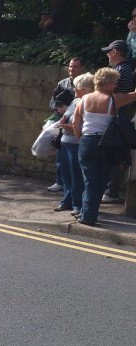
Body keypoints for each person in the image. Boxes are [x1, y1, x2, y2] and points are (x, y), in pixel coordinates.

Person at [72, 67, 136, 225]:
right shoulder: (114, 99)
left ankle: (85, 212)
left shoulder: (84, 100)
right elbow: (134, 95)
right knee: (99, 181)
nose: (115, 85)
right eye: (114, 82)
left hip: (86, 142)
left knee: (90, 180)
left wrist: (81, 138)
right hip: (106, 143)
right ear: (106, 84)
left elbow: (76, 122)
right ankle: (88, 216)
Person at [54, 72, 94, 216]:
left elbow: (83, 126)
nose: (74, 89)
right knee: (67, 175)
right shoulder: (75, 100)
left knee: (77, 176)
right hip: (66, 141)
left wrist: (68, 126)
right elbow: (67, 117)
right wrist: (62, 121)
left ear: (85, 89)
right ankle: (67, 201)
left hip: (76, 142)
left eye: (76, 87)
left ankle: (77, 204)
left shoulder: (87, 102)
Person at [101, 40, 134, 204]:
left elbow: (108, 93)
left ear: (115, 52)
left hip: (117, 118)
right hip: (119, 116)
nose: (107, 54)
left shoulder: (121, 70)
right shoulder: (125, 69)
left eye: (108, 51)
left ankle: (111, 191)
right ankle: (110, 190)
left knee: (112, 154)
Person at [47, 56, 83, 192]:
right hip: (62, 122)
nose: (72, 69)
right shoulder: (62, 83)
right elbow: (52, 102)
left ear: (81, 68)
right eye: (70, 66)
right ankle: (59, 181)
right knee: (60, 153)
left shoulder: (85, 84)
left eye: (75, 67)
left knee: (75, 158)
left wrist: (68, 108)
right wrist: (58, 109)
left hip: (78, 125)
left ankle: (73, 186)